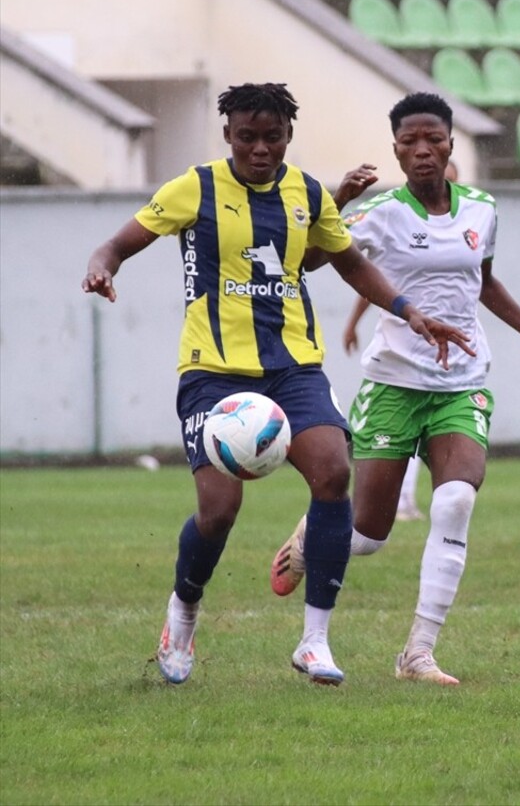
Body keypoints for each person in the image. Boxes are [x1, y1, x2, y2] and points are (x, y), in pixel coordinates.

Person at [82, 83, 473, 688]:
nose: (259, 149)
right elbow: (121, 241)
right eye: (247, 138)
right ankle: (182, 613)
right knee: (219, 510)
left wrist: (408, 309)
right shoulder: (197, 186)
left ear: (288, 137)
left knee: (333, 473)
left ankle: (314, 640)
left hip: (293, 367)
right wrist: (102, 266)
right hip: (213, 370)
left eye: (271, 137)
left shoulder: (309, 193)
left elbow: (350, 263)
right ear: (228, 136)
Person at [269, 91, 520, 685]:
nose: (422, 150)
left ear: (451, 143)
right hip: (393, 384)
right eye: (409, 142)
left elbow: (483, 283)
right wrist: (337, 199)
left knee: (456, 500)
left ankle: (418, 653)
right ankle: (311, 539)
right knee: (368, 536)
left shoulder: (481, 208)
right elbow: (303, 262)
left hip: (463, 382)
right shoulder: (379, 213)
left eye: (433, 139)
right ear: (396, 151)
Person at [340, 159, 460, 523]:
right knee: (366, 527)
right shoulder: (395, 220)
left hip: (448, 359)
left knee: (438, 447)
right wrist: (352, 324)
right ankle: (366, 509)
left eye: (450, 179)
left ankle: (409, 502)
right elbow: (368, 281)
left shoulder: (462, 224)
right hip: (400, 358)